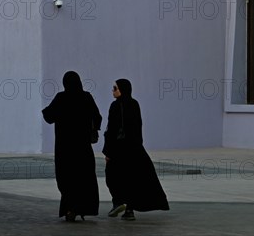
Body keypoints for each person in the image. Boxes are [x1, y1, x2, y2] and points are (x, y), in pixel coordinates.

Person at [102, 78, 169, 220]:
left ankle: (118, 202)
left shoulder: (114, 106)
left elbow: (111, 130)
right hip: (134, 149)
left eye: (115, 88)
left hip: (118, 150)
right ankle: (129, 211)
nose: (113, 91)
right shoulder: (134, 104)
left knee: (112, 176)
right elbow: (137, 127)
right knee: (132, 180)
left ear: (122, 89)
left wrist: (108, 152)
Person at [42, 71, 102, 222]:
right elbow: (98, 117)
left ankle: (70, 208)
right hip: (83, 147)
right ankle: (81, 208)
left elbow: (49, 116)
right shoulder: (86, 97)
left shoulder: (61, 98)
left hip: (65, 148)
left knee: (66, 178)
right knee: (84, 177)